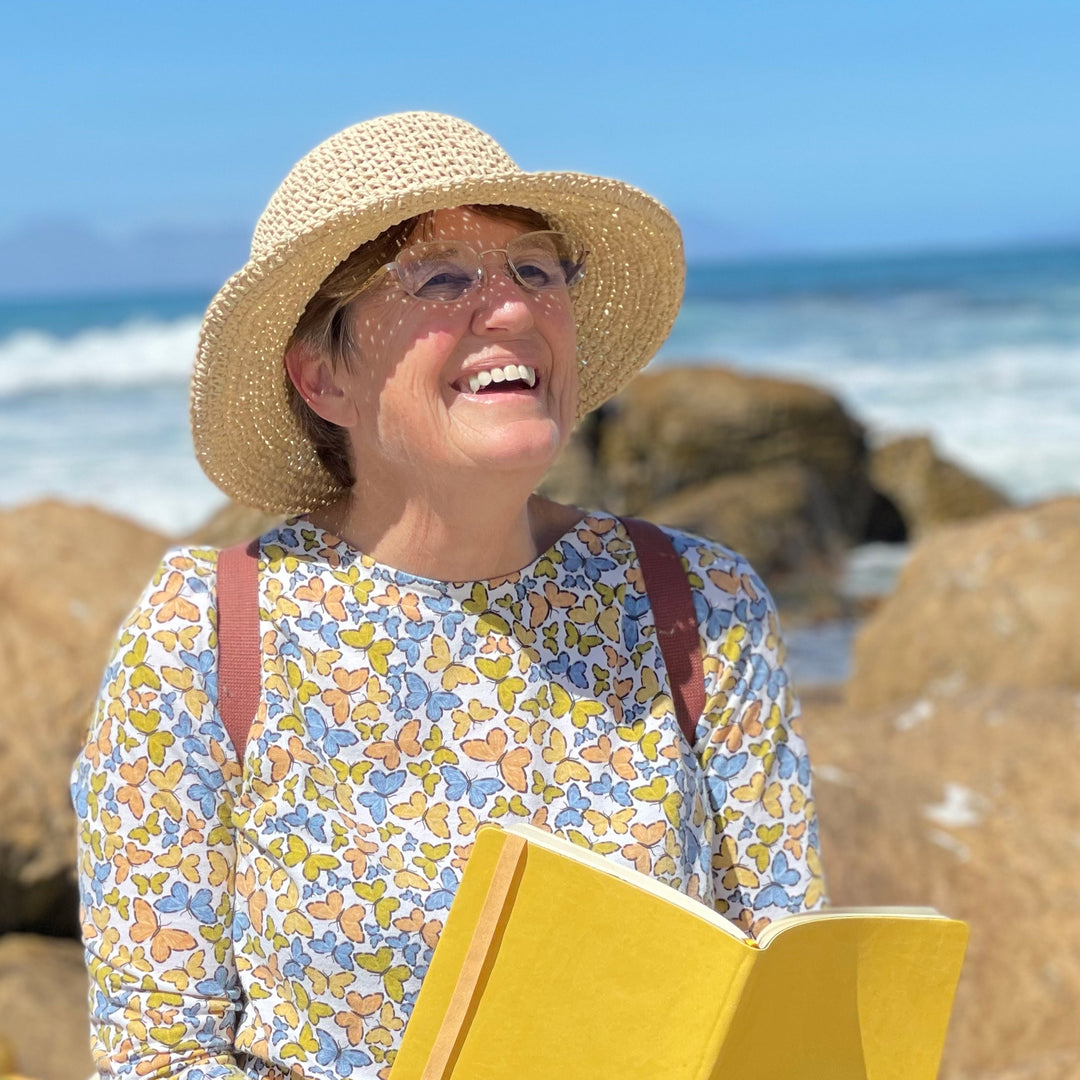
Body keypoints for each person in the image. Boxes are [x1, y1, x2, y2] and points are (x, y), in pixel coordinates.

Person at [72, 112, 824, 1080]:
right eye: (441, 278)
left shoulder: (702, 604)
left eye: (536, 270)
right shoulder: (207, 634)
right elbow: (158, 1057)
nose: (510, 309)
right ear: (322, 377)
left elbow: (787, 980)